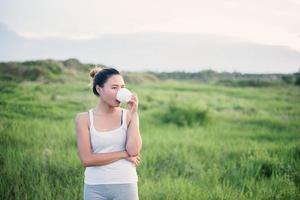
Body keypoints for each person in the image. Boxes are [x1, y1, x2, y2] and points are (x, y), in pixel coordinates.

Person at [75, 67, 142, 200]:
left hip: (125, 183)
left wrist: (134, 115)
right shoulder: (83, 119)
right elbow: (87, 159)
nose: (120, 92)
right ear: (99, 89)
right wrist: (123, 154)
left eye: (122, 87)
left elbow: (134, 151)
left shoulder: (128, 116)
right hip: (95, 186)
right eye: (114, 87)